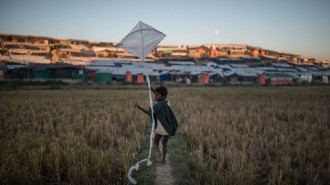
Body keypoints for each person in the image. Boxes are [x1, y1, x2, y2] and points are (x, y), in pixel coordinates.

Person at [134, 86, 178, 164]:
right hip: (167, 127)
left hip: (160, 128)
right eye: (155, 95)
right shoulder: (167, 102)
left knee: (155, 142)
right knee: (165, 144)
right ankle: (164, 159)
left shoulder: (156, 107)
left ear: (163, 96)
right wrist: (152, 90)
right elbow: (160, 97)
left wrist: (139, 107)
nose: (155, 97)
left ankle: (159, 152)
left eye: (157, 95)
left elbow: (149, 113)